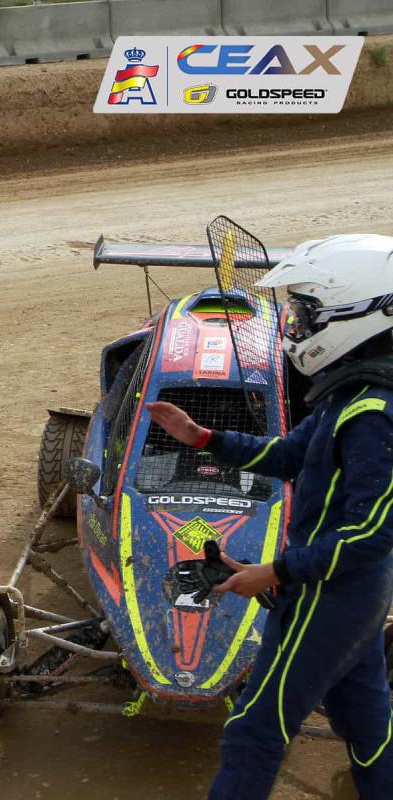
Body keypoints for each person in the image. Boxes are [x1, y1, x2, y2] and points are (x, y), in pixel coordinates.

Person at [146, 234, 393, 799]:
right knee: (368, 731)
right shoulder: (352, 395)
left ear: (355, 313)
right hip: (345, 593)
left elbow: (371, 533)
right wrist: (202, 437)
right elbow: (285, 455)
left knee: (254, 731)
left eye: (306, 312)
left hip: (331, 595)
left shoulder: (375, 414)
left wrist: (275, 573)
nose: (296, 325)